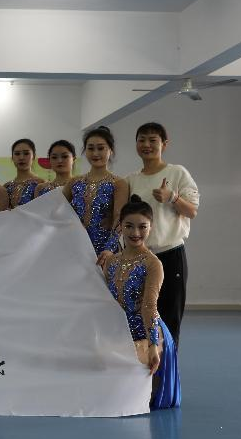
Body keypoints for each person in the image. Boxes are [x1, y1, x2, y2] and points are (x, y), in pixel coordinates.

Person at [125, 122, 199, 349]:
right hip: (139, 258)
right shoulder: (131, 180)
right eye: (142, 140)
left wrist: (172, 197)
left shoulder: (177, 172)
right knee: (139, 321)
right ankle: (144, 368)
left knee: (169, 321)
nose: (146, 145)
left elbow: (192, 211)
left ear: (164, 144)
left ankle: (167, 369)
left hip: (170, 255)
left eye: (153, 140)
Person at [103, 195, 181, 409]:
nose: (135, 233)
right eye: (129, 226)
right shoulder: (111, 261)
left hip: (148, 332)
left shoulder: (153, 264)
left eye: (142, 227)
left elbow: (149, 306)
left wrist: (153, 346)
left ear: (151, 228)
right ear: (120, 226)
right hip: (121, 330)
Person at [63, 126, 128, 263]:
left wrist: (109, 249)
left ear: (110, 150)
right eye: (91, 148)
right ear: (85, 151)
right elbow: (57, 211)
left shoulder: (119, 183)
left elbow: (119, 220)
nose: (95, 153)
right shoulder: (74, 182)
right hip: (76, 248)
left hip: (106, 252)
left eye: (101, 148)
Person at [5, 138, 44, 207]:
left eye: (26, 153)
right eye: (17, 154)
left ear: (34, 156)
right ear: (12, 158)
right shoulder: (6, 187)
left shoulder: (41, 184)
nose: (21, 157)